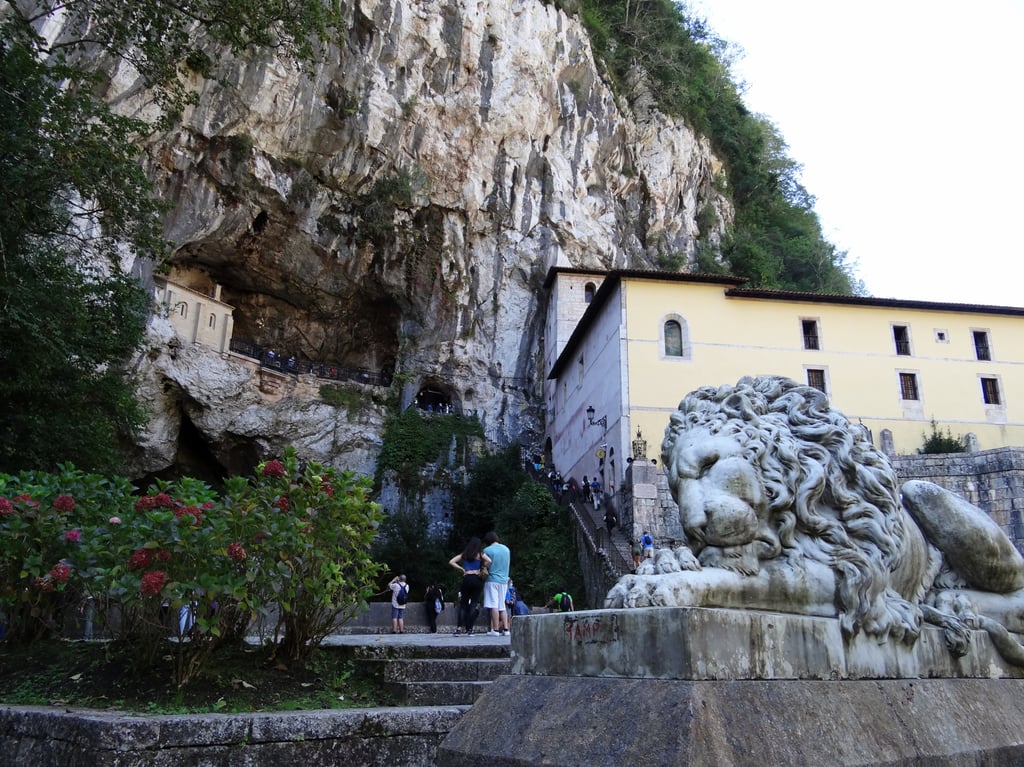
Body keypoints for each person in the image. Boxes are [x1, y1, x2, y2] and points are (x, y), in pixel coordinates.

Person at [449, 537, 491, 636]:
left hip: (467, 578)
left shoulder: (465, 554)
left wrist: (462, 569)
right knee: (473, 603)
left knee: (463, 604)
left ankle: (458, 629)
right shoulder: (480, 554)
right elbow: (489, 561)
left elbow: (451, 561)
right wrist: (482, 568)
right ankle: (470, 629)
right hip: (477, 579)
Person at [482, 531, 511, 636]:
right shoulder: (506, 549)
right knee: (502, 605)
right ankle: (506, 629)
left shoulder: (487, 550)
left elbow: (486, 565)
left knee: (493, 604)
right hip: (504, 580)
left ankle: (495, 629)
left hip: (492, 579)